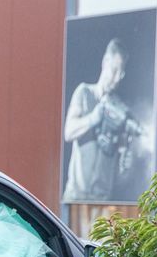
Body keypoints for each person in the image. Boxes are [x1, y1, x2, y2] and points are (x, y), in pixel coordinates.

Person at [63, 38, 149, 203]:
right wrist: (93, 118)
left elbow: (122, 173)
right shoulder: (84, 93)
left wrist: (126, 162)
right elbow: (68, 132)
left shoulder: (122, 112)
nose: (117, 78)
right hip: (75, 197)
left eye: (121, 73)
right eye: (114, 70)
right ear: (105, 62)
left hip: (102, 201)